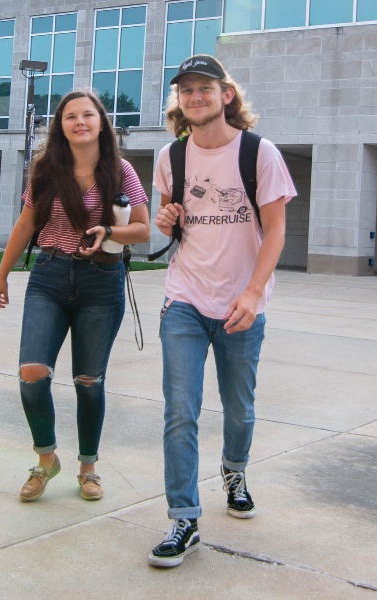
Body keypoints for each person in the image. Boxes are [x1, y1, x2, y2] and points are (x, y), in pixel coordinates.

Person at [146, 55, 295, 568]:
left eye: (204, 88)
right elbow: (172, 221)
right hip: (184, 298)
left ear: (225, 95)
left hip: (240, 304)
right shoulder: (171, 156)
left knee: (239, 407)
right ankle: (184, 518)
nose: (195, 97)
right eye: (186, 90)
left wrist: (253, 293)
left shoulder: (259, 153)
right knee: (179, 409)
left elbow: (276, 231)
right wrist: (166, 219)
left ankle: (234, 471)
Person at [0, 90, 150, 503]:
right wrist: (2, 275)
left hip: (102, 282)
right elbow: (26, 225)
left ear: (101, 122)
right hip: (49, 275)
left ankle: (88, 467)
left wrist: (109, 231)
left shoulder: (121, 171)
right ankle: (46, 459)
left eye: (88, 114)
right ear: (60, 127)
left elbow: (143, 229)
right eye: (70, 116)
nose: (80, 121)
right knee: (32, 372)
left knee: (89, 381)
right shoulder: (47, 170)